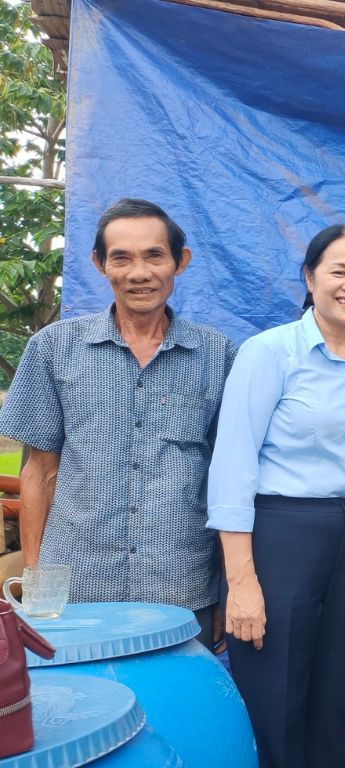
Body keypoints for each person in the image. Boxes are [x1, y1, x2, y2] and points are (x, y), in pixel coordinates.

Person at [0, 198, 234, 645]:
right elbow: (39, 471)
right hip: (77, 589)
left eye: (154, 256)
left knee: (179, 710)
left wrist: (229, 585)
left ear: (179, 262)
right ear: (99, 264)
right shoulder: (54, 349)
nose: (138, 272)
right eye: (121, 258)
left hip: (181, 585)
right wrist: (35, 582)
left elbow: (230, 479)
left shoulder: (218, 356)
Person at [206, 224, 345, 768]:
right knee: (275, 695)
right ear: (310, 278)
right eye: (339, 271)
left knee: (335, 691)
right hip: (278, 536)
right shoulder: (269, 353)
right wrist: (241, 582)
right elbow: (233, 464)